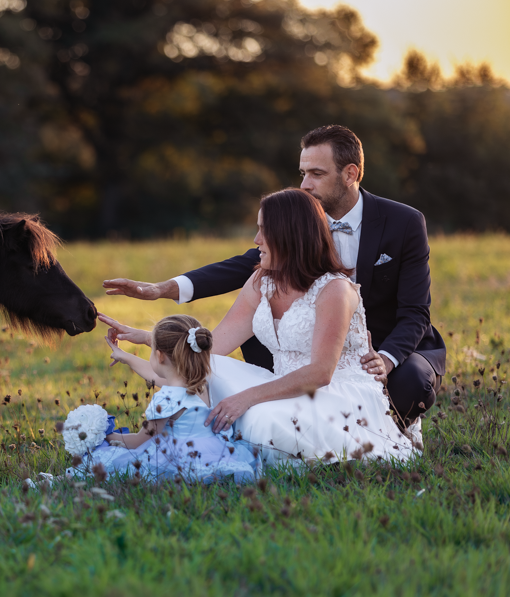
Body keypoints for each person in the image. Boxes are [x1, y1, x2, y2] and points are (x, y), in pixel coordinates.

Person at [102, 125, 445, 423]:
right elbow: (239, 269)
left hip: (383, 348)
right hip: (308, 357)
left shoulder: (403, 223)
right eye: (303, 173)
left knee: (410, 383)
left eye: (317, 174)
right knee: (243, 338)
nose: (305, 184)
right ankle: (278, 395)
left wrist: (385, 360)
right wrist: (159, 300)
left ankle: (386, 427)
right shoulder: (298, 223)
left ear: (351, 173)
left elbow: (415, 312)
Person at [100, 189, 420, 467]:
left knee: (260, 420)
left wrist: (246, 398)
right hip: (280, 384)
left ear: (289, 235)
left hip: (336, 394)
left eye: (263, 230)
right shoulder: (261, 280)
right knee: (203, 370)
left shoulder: (335, 290)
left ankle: (202, 447)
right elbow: (215, 346)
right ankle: (152, 440)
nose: (256, 240)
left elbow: (321, 372)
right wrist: (149, 338)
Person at [66, 314, 260, 483]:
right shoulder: (201, 384)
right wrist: (125, 356)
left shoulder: (166, 398)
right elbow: (160, 377)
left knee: (110, 461)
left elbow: (138, 441)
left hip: (178, 458)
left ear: (159, 356)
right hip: (214, 451)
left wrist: (105, 436)